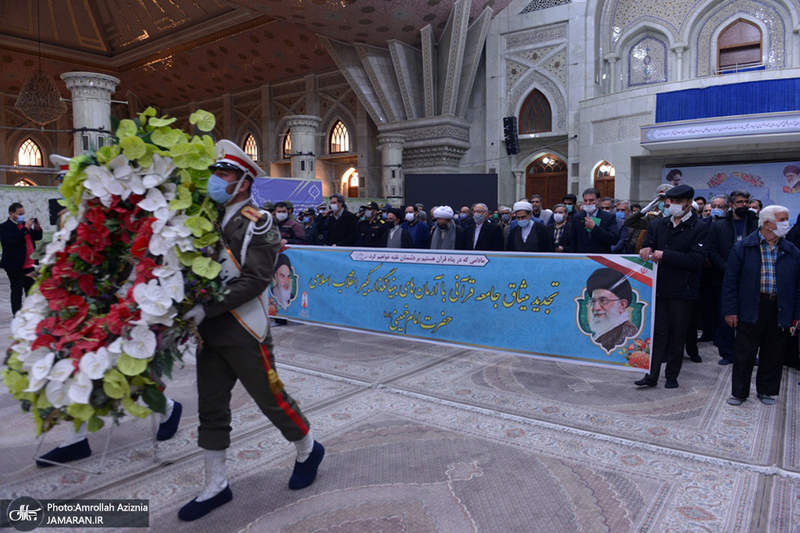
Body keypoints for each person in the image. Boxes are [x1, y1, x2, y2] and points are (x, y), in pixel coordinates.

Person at [178, 140, 323, 521]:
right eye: (214, 172)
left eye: (223, 173)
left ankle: (308, 448)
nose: (215, 179)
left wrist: (205, 307)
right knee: (210, 406)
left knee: (270, 399)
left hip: (245, 329)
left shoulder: (259, 222)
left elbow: (256, 280)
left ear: (242, 182)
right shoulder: (204, 217)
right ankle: (216, 484)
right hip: (210, 332)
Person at [722, 205, 800, 406]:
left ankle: (766, 390)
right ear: (767, 223)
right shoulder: (743, 247)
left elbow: (798, 285)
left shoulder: (792, 250)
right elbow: (730, 282)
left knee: (773, 352)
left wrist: (797, 314)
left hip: (780, 307)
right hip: (751, 305)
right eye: (782, 220)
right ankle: (739, 393)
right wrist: (730, 310)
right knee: (744, 352)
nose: (786, 224)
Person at [635, 184, 709, 389]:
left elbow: (696, 260)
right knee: (658, 334)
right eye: (671, 202)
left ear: (688, 203)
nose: (673, 205)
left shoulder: (700, 227)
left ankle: (671, 376)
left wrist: (665, 255)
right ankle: (651, 375)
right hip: (659, 288)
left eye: (678, 202)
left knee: (677, 335)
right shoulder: (659, 225)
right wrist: (646, 250)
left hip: (683, 290)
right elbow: (648, 245)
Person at [707, 190, 759, 365]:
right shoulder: (719, 225)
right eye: (740, 202)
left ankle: (750, 354)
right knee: (726, 318)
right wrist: (728, 269)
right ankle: (728, 353)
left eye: (746, 202)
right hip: (724, 276)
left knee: (749, 319)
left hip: (751, 277)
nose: (744, 205)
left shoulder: (756, 223)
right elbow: (712, 251)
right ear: (731, 205)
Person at [0, 202, 42, 315]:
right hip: (15, 266)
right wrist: (26, 228)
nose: (22, 216)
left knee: (31, 291)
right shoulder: (4, 227)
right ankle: (17, 315)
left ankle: (31, 314)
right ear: (11, 214)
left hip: (30, 265)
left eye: (23, 213)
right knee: (17, 291)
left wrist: (37, 228)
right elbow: (11, 240)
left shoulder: (24, 225)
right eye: (19, 214)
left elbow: (37, 237)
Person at [586, 268, 639, 351]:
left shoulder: (628, 332)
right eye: (593, 301)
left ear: (622, 305)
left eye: (603, 301)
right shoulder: (604, 331)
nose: (596, 308)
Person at [567, 188, 619, 253]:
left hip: (601, 255)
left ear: (598, 201)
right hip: (582, 256)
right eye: (585, 200)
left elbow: (614, 240)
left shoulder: (608, 217)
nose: (588, 203)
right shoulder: (577, 218)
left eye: (591, 200)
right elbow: (573, 241)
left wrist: (594, 228)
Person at [625, 184, 671, 254]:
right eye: (662, 199)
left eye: (667, 199)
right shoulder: (652, 219)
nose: (665, 202)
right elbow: (629, 222)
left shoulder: (679, 217)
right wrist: (643, 211)